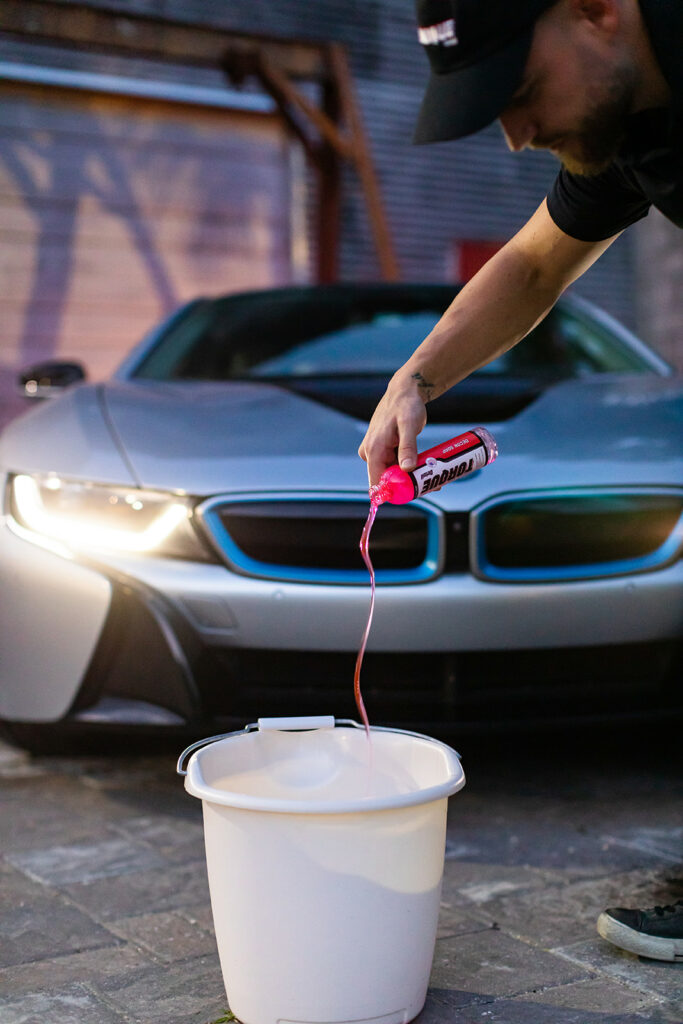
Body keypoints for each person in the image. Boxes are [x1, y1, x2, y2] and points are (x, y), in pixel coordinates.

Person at [358, 0, 682, 962]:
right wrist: (413, 378)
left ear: (597, 12)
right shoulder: (626, 127)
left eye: (519, 90)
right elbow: (537, 264)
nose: (514, 134)